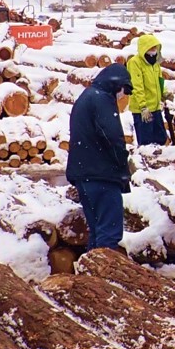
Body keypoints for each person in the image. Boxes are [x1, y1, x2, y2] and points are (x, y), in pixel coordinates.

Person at [67, 64, 134, 251]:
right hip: (101, 174)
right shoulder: (102, 100)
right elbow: (112, 137)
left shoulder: (87, 97)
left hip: (85, 173)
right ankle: (103, 275)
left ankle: (90, 271)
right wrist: (122, 166)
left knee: (97, 231)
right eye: (125, 89)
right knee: (109, 233)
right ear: (116, 84)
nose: (124, 95)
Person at [128, 34, 168, 146]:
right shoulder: (135, 62)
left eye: (155, 47)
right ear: (144, 48)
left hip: (155, 108)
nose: (154, 50)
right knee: (146, 143)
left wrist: (164, 93)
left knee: (160, 139)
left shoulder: (155, 62)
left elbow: (159, 80)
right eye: (151, 47)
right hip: (143, 110)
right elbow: (137, 86)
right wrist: (143, 106)